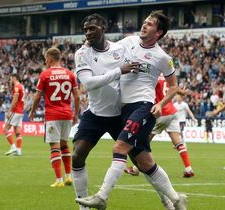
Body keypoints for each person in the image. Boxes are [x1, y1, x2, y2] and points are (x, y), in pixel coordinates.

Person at [76, 10, 187, 210]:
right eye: (144, 22)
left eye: (150, 24)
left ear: (159, 32)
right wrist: (87, 44)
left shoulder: (163, 57)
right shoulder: (128, 42)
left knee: (119, 148)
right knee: (144, 161)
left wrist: (161, 104)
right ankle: (174, 200)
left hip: (143, 106)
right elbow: (107, 49)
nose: (144, 25)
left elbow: (173, 85)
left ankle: (102, 196)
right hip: (123, 109)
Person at [72, 14, 139, 210]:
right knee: (77, 156)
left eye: (92, 28)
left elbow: (135, 70)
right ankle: (83, 206)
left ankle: (169, 200)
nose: (88, 33)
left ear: (103, 27)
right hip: (95, 114)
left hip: (120, 115)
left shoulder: (120, 49)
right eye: (85, 30)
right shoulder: (82, 53)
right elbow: (89, 84)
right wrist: (120, 71)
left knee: (141, 160)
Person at [124, 75, 195, 178]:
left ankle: (136, 168)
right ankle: (188, 168)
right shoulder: (167, 75)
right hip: (172, 112)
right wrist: (182, 92)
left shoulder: (154, 75)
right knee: (178, 142)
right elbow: (174, 87)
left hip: (160, 112)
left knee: (143, 141)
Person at [29, 47, 80, 188]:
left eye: (46, 59)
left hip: (53, 115)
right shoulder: (70, 74)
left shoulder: (45, 74)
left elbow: (38, 95)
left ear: (50, 59)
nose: (45, 61)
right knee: (65, 145)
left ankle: (59, 180)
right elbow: (77, 96)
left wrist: (32, 110)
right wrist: (75, 113)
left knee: (54, 147)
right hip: (67, 114)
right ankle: (68, 176)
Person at [4, 73, 25, 156]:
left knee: (5, 129)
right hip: (21, 112)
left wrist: (9, 111)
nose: (10, 80)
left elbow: (15, 100)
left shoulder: (16, 87)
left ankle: (13, 147)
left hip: (16, 111)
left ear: (14, 78)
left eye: (11, 78)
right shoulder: (22, 86)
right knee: (17, 132)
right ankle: (19, 150)